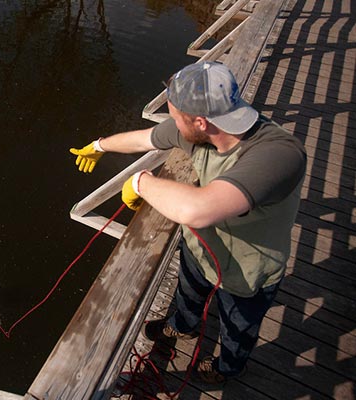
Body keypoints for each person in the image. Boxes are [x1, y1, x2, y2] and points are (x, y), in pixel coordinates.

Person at [69, 61, 306, 384]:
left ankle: (226, 367)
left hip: (248, 273)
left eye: (176, 116)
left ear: (202, 121)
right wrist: (99, 145)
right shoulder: (196, 131)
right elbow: (144, 139)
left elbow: (199, 209)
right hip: (200, 250)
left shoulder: (279, 154)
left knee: (238, 328)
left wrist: (141, 182)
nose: (172, 124)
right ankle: (183, 325)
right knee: (188, 294)